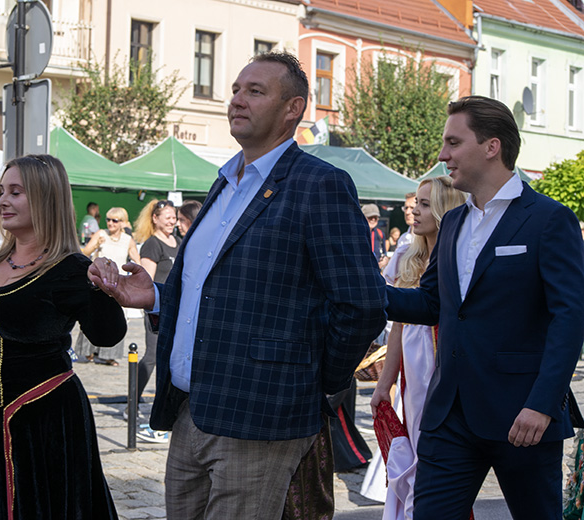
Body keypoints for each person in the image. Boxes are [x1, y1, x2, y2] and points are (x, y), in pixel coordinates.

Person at [89, 51, 386, 519]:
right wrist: (157, 296)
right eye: (235, 90)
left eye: (255, 91)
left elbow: (362, 303)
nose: (237, 101)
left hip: (262, 417)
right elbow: (223, 292)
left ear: (293, 109)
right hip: (191, 409)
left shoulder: (319, 184)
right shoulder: (225, 181)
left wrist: (315, 382)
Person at [386, 96, 584, 519]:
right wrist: (359, 291)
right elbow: (433, 304)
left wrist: (543, 404)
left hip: (523, 418)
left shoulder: (549, 219)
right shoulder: (454, 221)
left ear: (491, 146)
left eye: (453, 143)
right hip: (449, 415)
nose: (443, 156)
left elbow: (570, 317)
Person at [0, 154, 126, 519]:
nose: (2, 200)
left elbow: (108, 336)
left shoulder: (71, 269)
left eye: (16, 192)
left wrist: (104, 287)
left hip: (46, 423)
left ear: (46, 198)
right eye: (1, 191)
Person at [369, 176, 466, 519]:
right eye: (416, 204)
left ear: (444, 209)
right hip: (414, 366)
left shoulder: (460, 256)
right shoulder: (408, 254)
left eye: (425, 205)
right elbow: (398, 324)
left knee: (435, 457)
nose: (414, 212)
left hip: (441, 363)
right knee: (410, 451)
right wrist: (385, 381)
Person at [129, 198, 179, 436]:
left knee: (169, 359)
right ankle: (133, 402)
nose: (172, 220)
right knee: (152, 357)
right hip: (158, 309)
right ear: (155, 219)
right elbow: (146, 281)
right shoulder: (152, 244)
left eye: (174, 216)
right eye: (167, 216)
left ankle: (163, 407)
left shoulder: (177, 241)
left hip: (176, 310)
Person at [78, 206, 141, 365]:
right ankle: (88, 353)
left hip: (117, 284)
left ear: (122, 223)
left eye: (115, 220)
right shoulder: (101, 234)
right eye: (108, 220)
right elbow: (85, 253)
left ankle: (108, 356)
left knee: (114, 317)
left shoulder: (128, 240)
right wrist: (95, 245)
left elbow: (138, 262)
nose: (110, 223)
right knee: (94, 314)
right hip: (98, 283)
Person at [363, 203, 389, 269]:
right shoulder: (357, 234)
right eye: (370, 217)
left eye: (375, 217)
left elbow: (384, 252)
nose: (373, 220)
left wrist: (384, 261)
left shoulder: (380, 233)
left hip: (377, 270)